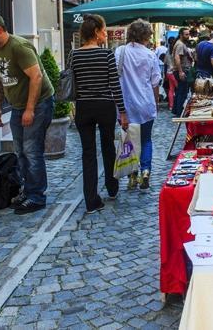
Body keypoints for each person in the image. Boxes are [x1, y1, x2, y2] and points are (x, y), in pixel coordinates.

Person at [0, 14, 55, 215]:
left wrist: (30, 109)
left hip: (39, 103)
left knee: (31, 150)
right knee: (20, 150)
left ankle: (37, 197)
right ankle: (28, 191)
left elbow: (36, 77)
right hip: (19, 105)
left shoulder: (19, 47)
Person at [71, 14, 128, 213]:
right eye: (103, 30)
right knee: (107, 148)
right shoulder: (106, 55)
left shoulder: (74, 55)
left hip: (84, 107)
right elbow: (115, 85)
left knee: (88, 154)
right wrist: (123, 112)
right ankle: (112, 187)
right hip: (104, 106)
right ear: (96, 33)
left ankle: (91, 199)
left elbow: (74, 85)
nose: (105, 34)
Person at [116, 20, 162, 190]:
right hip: (146, 103)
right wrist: (156, 103)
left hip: (125, 105)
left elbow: (115, 77)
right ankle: (145, 171)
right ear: (146, 36)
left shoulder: (120, 52)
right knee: (146, 139)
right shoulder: (150, 55)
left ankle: (132, 174)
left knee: (129, 140)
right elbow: (155, 82)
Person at [172, 27, 193, 116]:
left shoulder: (181, 43)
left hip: (182, 70)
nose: (188, 36)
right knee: (182, 92)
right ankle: (180, 112)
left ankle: (176, 110)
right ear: (181, 35)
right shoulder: (180, 44)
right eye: (186, 34)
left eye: (188, 34)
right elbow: (177, 58)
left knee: (180, 91)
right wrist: (181, 71)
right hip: (182, 70)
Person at [165, 36, 178, 110]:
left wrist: (165, 75)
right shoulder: (175, 50)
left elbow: (165, 63)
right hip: (174, 72)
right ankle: (176, 105)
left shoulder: (168, 51)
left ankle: (171, 105)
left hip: (168, 72)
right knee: (178, 89)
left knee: (171, 89)